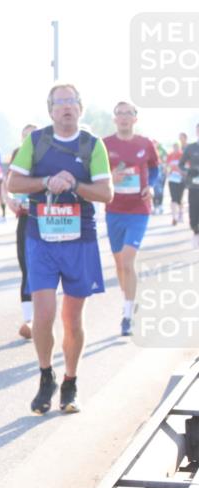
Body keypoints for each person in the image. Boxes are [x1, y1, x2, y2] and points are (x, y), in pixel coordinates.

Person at [6, 83, 113, 415]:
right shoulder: (36, 141)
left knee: (73, 318)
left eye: (71, 101)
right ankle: (45, 376)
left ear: (80, 108)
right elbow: (13, 183)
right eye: (59, 102)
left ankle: (70, 381)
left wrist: (75, 185)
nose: (66, 107)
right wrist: (46, 182)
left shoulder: (92, 145)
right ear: (50, 110)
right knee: (43, 314)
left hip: (79, 238)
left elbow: (106, 193)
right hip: (42, 238)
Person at [102, 101, 160, 336]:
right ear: (114, 118)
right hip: (114, 209)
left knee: (127, 261)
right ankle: (129, 299)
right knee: (119, 265)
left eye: (129, 113)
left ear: (135, 118)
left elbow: (155, 169)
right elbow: (96, 172)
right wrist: (109, 177)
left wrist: (152, 186)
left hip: (139, 209)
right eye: (120, 113)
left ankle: (127, 315)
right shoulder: (105, 145)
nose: (124, 117)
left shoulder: (145, 144)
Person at [2, 124, 38, 339]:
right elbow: (6, 185)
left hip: (48, 220)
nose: (28, 140)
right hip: (25, 218)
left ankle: (43, 316)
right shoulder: (17, 155)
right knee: (26, 267)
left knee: (44, 269)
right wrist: (10, 201)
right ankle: (28, 319)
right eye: (25, 136)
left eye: (33, 136)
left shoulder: (50, 154)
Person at [181, 123, 199, 247]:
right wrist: (189, 171)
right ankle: (195, 230)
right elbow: (181, 164)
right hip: (194, 185)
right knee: (194, 209)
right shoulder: (191, 148)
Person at [166, 139, 185, 226]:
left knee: (179, 199)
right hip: (172, 179)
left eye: (177, 146)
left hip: (181, 180)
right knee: (173, 199)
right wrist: (168, 171)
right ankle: (174, 217)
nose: (175, 148)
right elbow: (167, 167)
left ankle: (181, 213)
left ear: (179, 147)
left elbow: (187, 167)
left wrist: (181, 171)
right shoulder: (170, 156)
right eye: (174, 147)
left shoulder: (183, 155)